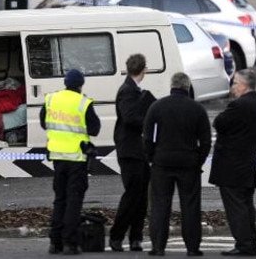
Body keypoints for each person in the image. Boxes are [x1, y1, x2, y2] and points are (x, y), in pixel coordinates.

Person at [143, 72, 211, 257]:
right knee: (190, 205)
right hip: (189, 163)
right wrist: (199, 160)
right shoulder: (197, 109)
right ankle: (192, 247)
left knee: (160, 205)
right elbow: (206, 140)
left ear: (171, 86)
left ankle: (158, 246)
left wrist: (151, 157)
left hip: (162, 163)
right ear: (187, 87)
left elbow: (148, 137)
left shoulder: (157, 107)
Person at [40, 69, 101, 255]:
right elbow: (95, 128)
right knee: (74, 201)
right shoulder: (83, 103)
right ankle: (69, 243)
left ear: (65, 83)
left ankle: (55, 242)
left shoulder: (51, 99)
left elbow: (44, 123)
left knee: (60, 200)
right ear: (81, 84)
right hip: (76, 158)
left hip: (57, 157)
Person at [209, 69, 256, 256]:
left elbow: (219, 122)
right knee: (246, 205)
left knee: (236, 208)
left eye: (234, 83)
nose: (232, 87)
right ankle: (251, 241)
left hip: (231, 165)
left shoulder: (239, 105)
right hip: (247, 163)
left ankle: (244, 244)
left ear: (243, 85)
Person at [109, 54, 156, 252]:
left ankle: (136, 237)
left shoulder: (132, 89)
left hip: (138, 150)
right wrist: (148, 114)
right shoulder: (128, 91)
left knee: (140, 196)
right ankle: (117, 236)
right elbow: (129, 118)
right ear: (143, 70)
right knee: (132, 194)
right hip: (130, 150)